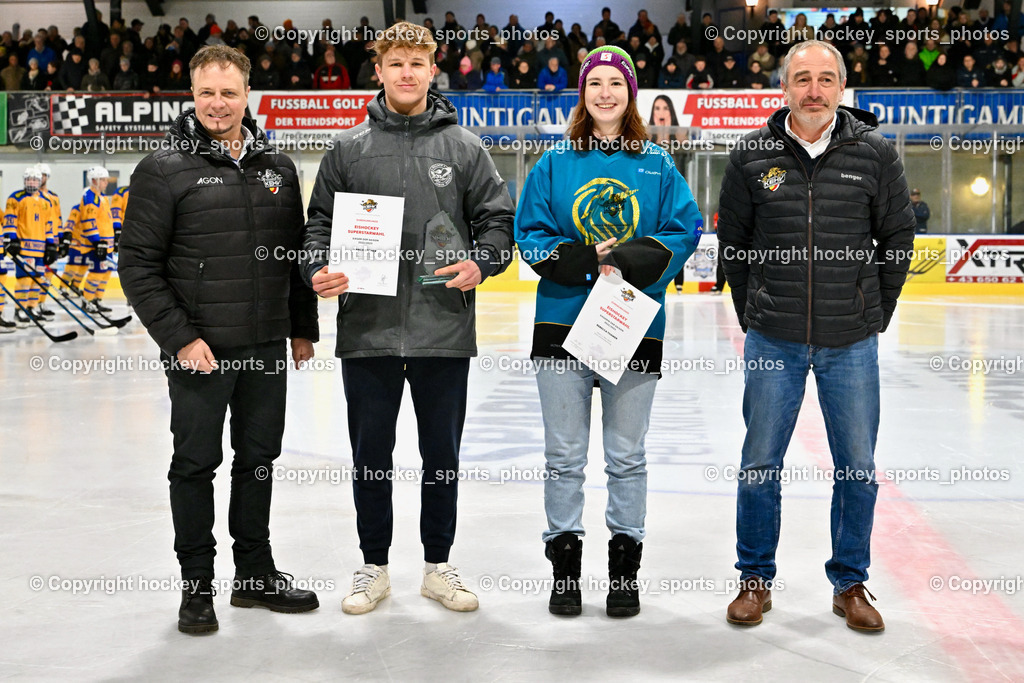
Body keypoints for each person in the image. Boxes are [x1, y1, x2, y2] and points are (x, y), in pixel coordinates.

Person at [300, 21, 515, 616]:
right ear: (379, 70)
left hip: (443, 329)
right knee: (371, 457)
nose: (406, 73)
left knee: (441, 457)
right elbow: (318, 226)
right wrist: (316, 268)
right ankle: (373, 567)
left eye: (417, 63)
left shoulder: (464, 148)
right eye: (395, 63)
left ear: (432, 69)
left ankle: (438, 567)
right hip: (367, 330)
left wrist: (483, 262)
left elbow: (498, 221)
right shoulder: (347, 149)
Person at [119, 44, 320, 635]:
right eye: (207, 92)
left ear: (247, 94)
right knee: (195, 464)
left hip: (265, 346)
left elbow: (294, 254)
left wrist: (302, 327)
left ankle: (254, 576)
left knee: (258, 460)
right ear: (191, 94)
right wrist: (181, 340)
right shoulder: (163, 168)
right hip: (200, 351)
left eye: (229, 92)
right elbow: (138, 266)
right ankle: (197, 586)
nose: (217, 103)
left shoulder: (278, 166)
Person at [717, 40, 916, 633]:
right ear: (784, 88)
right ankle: (754, 579)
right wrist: (754, 312)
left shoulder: (875, 153)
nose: (813, 90)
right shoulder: (751, 154)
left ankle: (850, 582)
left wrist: (873, 312)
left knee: (857, 465)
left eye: (825, 79)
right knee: (759, 463)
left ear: (841, 88)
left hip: (849, 340)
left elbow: (898, 238)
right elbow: (734, 244)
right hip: (773, 338)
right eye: (801, 78)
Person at [515, 46, 701, 618]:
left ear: (630, 94)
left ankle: (624, 572)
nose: (605, 93)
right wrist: (585, 260)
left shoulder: (656, 163)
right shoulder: (554, 162)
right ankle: (565, 572)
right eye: (594, 83)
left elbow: (685, 230)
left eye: (615, 84)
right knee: (564, 456)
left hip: (631, 327)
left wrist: (624, 259)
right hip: (562, 327)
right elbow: (530, 233)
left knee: (626, 455)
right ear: (582, 93)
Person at [3, 167, 56, 326]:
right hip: (24, 248)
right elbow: (10, 220)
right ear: (24, 180)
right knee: (25, 280)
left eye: (34, 180)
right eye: (28, 179)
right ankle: (20, 310)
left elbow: (49, 225)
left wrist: (51, 245)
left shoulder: (46, 202)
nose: (31, 182)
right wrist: (12, 239)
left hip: (40, 248)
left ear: (40, 182)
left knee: (37, 279)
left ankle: (32, 308)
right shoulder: (16, 198)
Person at [78, 167, 116, 313]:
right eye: (103, 180)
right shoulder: (89, 196)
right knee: (97, 272)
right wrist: (96, 241)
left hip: (107, 244)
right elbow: (89, 220)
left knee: (106, 272)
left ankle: (96, 300)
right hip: (97, 244)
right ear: (94, 180)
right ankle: (87, 301)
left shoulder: (103, 198)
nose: (106, 183)